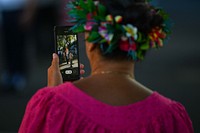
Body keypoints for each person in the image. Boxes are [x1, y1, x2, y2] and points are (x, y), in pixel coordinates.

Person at [19, 0, 194, 132]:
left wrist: (55, 96)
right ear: (140, 45)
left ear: (91, 43)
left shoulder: (50, 105)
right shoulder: (172, 116)